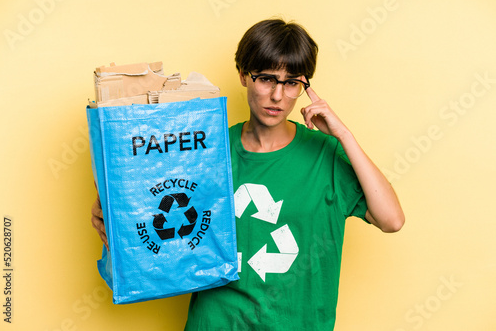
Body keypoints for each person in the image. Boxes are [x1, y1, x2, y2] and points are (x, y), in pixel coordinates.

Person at [91, 18, 404, 330]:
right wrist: (115, 217)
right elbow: (165, 217)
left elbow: (391, 220)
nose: (278, 96)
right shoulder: (206, 150)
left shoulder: (326, 155)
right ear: (243, 75)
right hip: (215, 321)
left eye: (292, 82)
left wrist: (344, 136)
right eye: (266, 78)